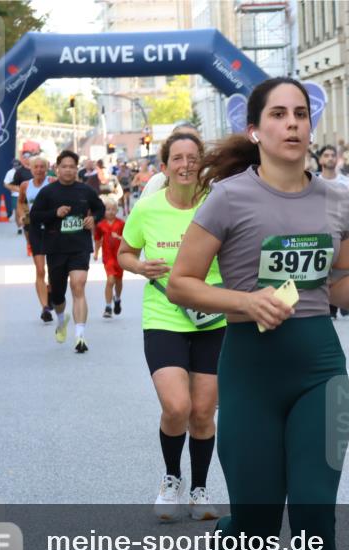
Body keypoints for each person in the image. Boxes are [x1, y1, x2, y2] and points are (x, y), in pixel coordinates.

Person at [164, 77, 349, 550]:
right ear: (256, 130)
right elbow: (181, 282)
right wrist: (245, 302)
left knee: (316, 516)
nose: (293, 124)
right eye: (279, 115)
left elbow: (337, 285)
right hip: (249, 370)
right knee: (262, 522)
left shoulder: (337, 199)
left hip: (320, 367)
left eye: (300, 115)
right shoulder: (228, 199)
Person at [118, 132, 221, 522]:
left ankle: (199, 490)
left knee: (203, 411)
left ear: (201, 164)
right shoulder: (147, 209)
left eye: (192, 158)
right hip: (163, 317)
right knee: (176, 406)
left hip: (213, 318)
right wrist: (140, 266)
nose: (185, 165)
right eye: (177, 158)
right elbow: (125, 253)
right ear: (164, 167)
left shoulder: (216, 206)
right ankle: (171, 479)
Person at [29, 150, 105, 353]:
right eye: (64, 166)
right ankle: (61, 320)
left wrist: (93, 219)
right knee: (58, 296)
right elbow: (34, 216)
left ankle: (80, 336)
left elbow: (100, 209)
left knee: (78, 286)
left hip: (80, 246)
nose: (68, 170)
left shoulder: (85, 191)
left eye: (72, 166)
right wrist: (55, 213)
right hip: (56, 248)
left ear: (76, 169)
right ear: (57, 168)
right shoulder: (48, 192)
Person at [317, 144, 349, 320]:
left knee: (346, 267)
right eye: (326, 155)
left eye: (333, 155)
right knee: (328, 271)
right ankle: (332, 307)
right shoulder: (314, 182)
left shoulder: (347, 183)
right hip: (324, 234)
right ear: (320, 160)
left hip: (345, 232)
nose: (330, 158)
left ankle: (345, 301)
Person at [17, 156, 54, 322]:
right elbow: (20, 202)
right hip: (35, 229)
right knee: (40, 270)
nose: (39, 170)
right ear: (31, 169)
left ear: (46, 169)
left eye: (42, 167)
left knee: (54, 271)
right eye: (36, 167)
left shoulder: (52, 182)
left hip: (53, 229)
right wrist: (22, 214)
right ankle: (45, 307)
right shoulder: (25, 185)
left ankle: (51, 292)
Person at [141, 123, 201, 198]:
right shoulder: (156, 183)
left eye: (193, 140)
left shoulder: (212, 181)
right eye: (180, 139)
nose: (185, 164)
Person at [94, 197, 125, 318]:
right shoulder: (101, 225)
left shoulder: (121, 224)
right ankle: (108, 306)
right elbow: (97, 239)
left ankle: (117, 299)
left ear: (117, 210)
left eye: (113, 209)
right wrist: (96, 252)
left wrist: (119, 237)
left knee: (118, 281)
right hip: (108, 257)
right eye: (108, 209)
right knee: (110, 280)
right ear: (104, 211)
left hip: (120, 257)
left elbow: (128, 239)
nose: (110, 212)